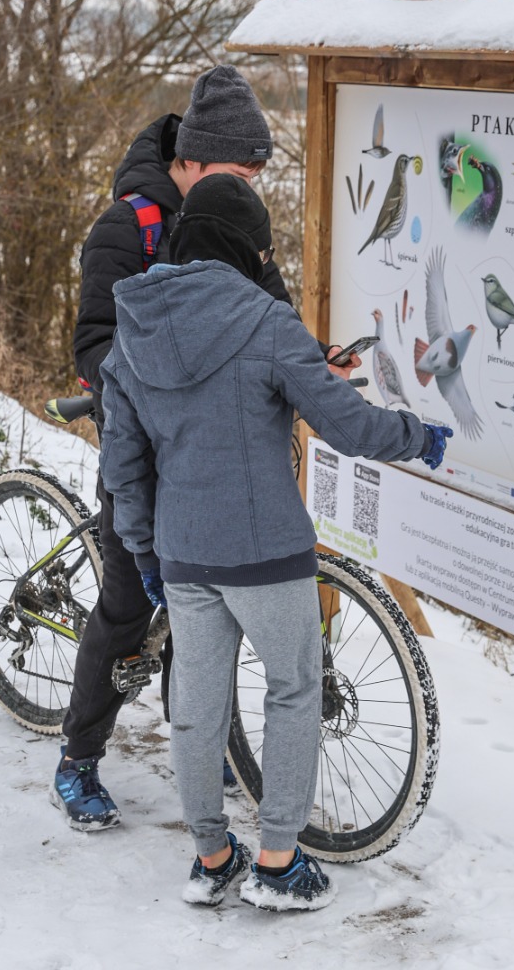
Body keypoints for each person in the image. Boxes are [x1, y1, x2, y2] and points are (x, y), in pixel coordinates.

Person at [98, 173, 451, 908]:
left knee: (197, 704)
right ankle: (280, 862)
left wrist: (144, 554)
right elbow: (350, 427)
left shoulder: (132, 333)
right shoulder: (264, 322)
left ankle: (212, 856)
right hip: (265, 553)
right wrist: (420, 435)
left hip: (183, 552)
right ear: (242, 248)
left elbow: (123, 468)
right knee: (294, 691)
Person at [53, 65, 361, 831]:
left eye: (257, 172)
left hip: (228, 455)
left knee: (204, 617)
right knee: (129, 604)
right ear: (192, 159)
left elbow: (268, 313)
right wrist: (148, 389)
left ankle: (204, 747)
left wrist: (311, 359)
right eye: (239, 170)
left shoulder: (228, 222)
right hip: (148, 449)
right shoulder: (130, 228)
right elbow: (93, 340)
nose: (250, 184)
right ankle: (78, 757)